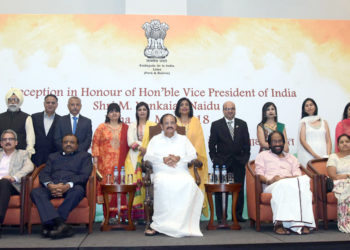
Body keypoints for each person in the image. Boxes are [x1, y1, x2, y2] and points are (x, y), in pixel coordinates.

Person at [143, 114, 203, 237]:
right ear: (161, 126)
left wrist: (179, 158)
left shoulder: (183, 139)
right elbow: (147, 157)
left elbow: (193, 155)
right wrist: (163, 159)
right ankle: (159, 224)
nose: (169, 125)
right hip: (162, 172)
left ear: (176, 125)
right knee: (163, 183)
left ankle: (183, 225)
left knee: (189, 183)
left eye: (172, 123)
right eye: (166, 123)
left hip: (181, 171)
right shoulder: (155, 140)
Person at [30, 134, 92, 239]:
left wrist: (67, 185)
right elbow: (44, 174)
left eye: (72, 142)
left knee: (78, 191)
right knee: (36, 192)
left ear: (77, 145)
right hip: (53, 186)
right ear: (61, 144)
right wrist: (50, 185)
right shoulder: (53, 156)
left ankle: (51, 224)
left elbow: (84, 175)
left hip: (72, 187)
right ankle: (60, 224)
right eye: (65, 142)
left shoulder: (84, 156)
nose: (68, 144)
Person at [255, 131, 315, 235]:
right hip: (272, 184)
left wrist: (285, 179)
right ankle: (279, 223)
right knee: (282, 186)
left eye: (280, 141)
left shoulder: (292, 158)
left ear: (284, 143)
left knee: (304, 183)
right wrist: (270, 180)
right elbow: (258, 175)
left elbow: (298, 175)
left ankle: (303, 223)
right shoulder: (262, 156)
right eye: (274, 141)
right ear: (269, 144)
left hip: (289, 183)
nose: (277, 144)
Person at [208, 101, 250, 222]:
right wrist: (214, 159)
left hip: (238, 163)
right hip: (221, 164)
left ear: (235, 110)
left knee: (239, 190)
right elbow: (212, 145)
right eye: (227, 109)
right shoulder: (216, 125)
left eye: (232, 108)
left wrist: (245, 159)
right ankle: (221, 217)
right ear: (223, 110)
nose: (229, 111)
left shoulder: (242, 124)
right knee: (221, 190)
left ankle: (237, 215)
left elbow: (247, 144)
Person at [91, 103, 129, 219]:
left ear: (120, 113)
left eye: (116, 111)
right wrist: (96, 163)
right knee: (107, 188)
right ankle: (109, 216)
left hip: (121, 165)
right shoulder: (101, 127)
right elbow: (95, 144)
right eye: (111, 111)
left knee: (120, 187)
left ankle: (122, 216)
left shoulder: (126, 128)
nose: (114, 113)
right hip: (105, 166)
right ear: (107, 114)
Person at [174, 97, 209, 217]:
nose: (184, 107)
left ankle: (192, 216)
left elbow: (199, 142)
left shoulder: (195, 121)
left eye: (187, 105)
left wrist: (191, 157)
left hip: (193, 162)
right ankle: (179, 215)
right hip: (176, 162)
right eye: (182, 105)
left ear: (190, 108)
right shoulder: (173, 121)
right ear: (178, 108)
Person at [124, 102, 156, 222]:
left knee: (147, 185)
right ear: (136, 112)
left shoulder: (153, 125)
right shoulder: (132, 125)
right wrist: (140, 148)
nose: (142, 112)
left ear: (148, 111)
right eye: (140, 110)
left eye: (144, 109)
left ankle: (148, 216)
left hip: (149, 158)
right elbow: (130, 141)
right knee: (134, 185)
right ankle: (135, 217)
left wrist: (147, 150)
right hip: (133, 158)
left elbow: (156, 141)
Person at [0, 129, 34, 236]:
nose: (7, 141)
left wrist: (14, 177)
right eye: (5, 139)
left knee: (4, 182)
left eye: (10, 139)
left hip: (12, 186)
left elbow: (30, 166)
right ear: (1, 143)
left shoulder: (22, 154)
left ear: (16, 142)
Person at [0, 88, 35, 157]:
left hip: (20, 155)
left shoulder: (27, 117)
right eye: (10, 100)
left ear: (20, 101)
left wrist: (28, 155)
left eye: (15, 100)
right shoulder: (0, 117)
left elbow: (30, 139)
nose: (12, 102)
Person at [297, 98, 331, 167]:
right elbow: (302, 141)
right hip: (309, 155)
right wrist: (314, 155)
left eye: (311, 105)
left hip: (324, 155)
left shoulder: (324, 122)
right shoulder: (303, 122)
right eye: (306, 106)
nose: (309, 107)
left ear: (315, 106)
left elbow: (328, 140)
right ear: (304, 109)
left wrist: (328, 155)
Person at [326, 134, 350, 233]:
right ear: (338, 145)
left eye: (347, 141)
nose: (344, 144)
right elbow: (333, 176)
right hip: (338, 183)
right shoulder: (333, 157)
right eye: (341, 142)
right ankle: (346, 223)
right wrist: (348, 176)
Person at [31, 94, 61, 167]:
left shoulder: (61, 120)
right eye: (48, 102)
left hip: (53, 157)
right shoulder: (34, 117)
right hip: (35, 156)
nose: (50, 105)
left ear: (56, 105)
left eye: (53, 103)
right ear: (44, 104)